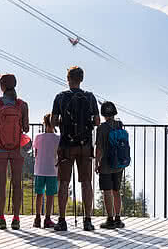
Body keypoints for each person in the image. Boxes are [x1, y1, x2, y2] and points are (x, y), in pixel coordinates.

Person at [51, 66, 100, 231]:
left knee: (64, 182)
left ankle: (62, 220)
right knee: (86, 182)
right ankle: (87, 220)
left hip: (66, 145)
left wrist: (63, 123)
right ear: (81, 79)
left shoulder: (60, 97)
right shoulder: (90, 97)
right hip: (85, 144)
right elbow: (98, 121)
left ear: (68, 78)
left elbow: (53, 121)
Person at [0, 73, 29, 230]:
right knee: (17, 183)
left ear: (1, 86)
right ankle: (16, 219)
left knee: (1, 183)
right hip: (17, 148)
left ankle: (1, 218)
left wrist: (0, 127)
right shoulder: (22, 105)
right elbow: (26, 128)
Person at [95, 101, 125, 229]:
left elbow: (99, 148)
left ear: (103, 114)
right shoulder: (119, 125)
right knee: (116, 191)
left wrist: (96, 163)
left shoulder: (101, 128)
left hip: (106, 164)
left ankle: (110, 219)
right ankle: (118, 218)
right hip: (119, 163)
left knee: (107, 191)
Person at [32, 113, 60, 228]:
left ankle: (37, 218)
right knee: (50, 195)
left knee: (39, 194)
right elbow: (59, 154)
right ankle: (47, 219)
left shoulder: (38, 137)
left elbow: (36, 153)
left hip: (39, 169)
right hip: (52, 170)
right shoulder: (58, 138)